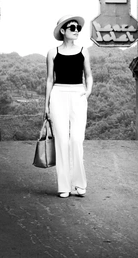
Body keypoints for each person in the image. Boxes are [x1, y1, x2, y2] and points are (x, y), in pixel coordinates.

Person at [43, 15, 93, 198]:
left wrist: (87, 92)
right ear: (63, 31)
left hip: (78, 94)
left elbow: (88, 75)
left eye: (78, 28)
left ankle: (79, 184)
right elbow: (49, 80)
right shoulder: (52, 52)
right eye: (72, 27)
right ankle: (64, 186)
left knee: (76, 140)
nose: (76, 30)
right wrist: (46, 105)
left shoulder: (83, 51)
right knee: (62, 141)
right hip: (58, 95)